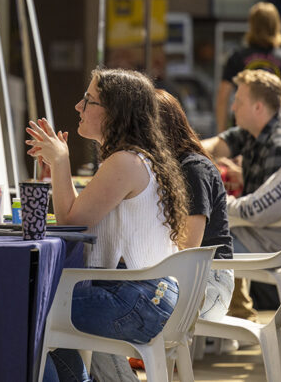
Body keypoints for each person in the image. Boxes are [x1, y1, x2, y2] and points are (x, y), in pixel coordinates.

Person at [26, 68, 189, 382]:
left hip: (135, 301)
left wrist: (60, 162)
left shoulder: (125, 162)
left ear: (114, 113)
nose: (78, 106)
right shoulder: (137, 159)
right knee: (42, 307)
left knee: (27, 309)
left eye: (89, 100)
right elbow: (77, 215)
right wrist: (58, 163)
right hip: (147, 297)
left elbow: (71, 221)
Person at [203, 68, 281, 322]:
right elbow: (212, 145)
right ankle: (225, 321)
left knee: (194, 245)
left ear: (258, 107)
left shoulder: (278, 146)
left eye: (238, 101)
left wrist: (221, 204)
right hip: (248, 232)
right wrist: (193, 158)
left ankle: (212, 324)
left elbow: (259, 213)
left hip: (267, 243)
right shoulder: (250, 133)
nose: (233, 107)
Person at [156, 89, 234, 320]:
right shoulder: (163, 168)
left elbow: (188, 247)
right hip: (184, 277)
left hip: (209, 282)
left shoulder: (192, 168)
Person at [215, 2, 281, 132]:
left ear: (252, 26)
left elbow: (223, 97)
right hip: (275, 130)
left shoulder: (237, 57)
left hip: (242, 130)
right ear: (276, 25)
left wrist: (221, 132)